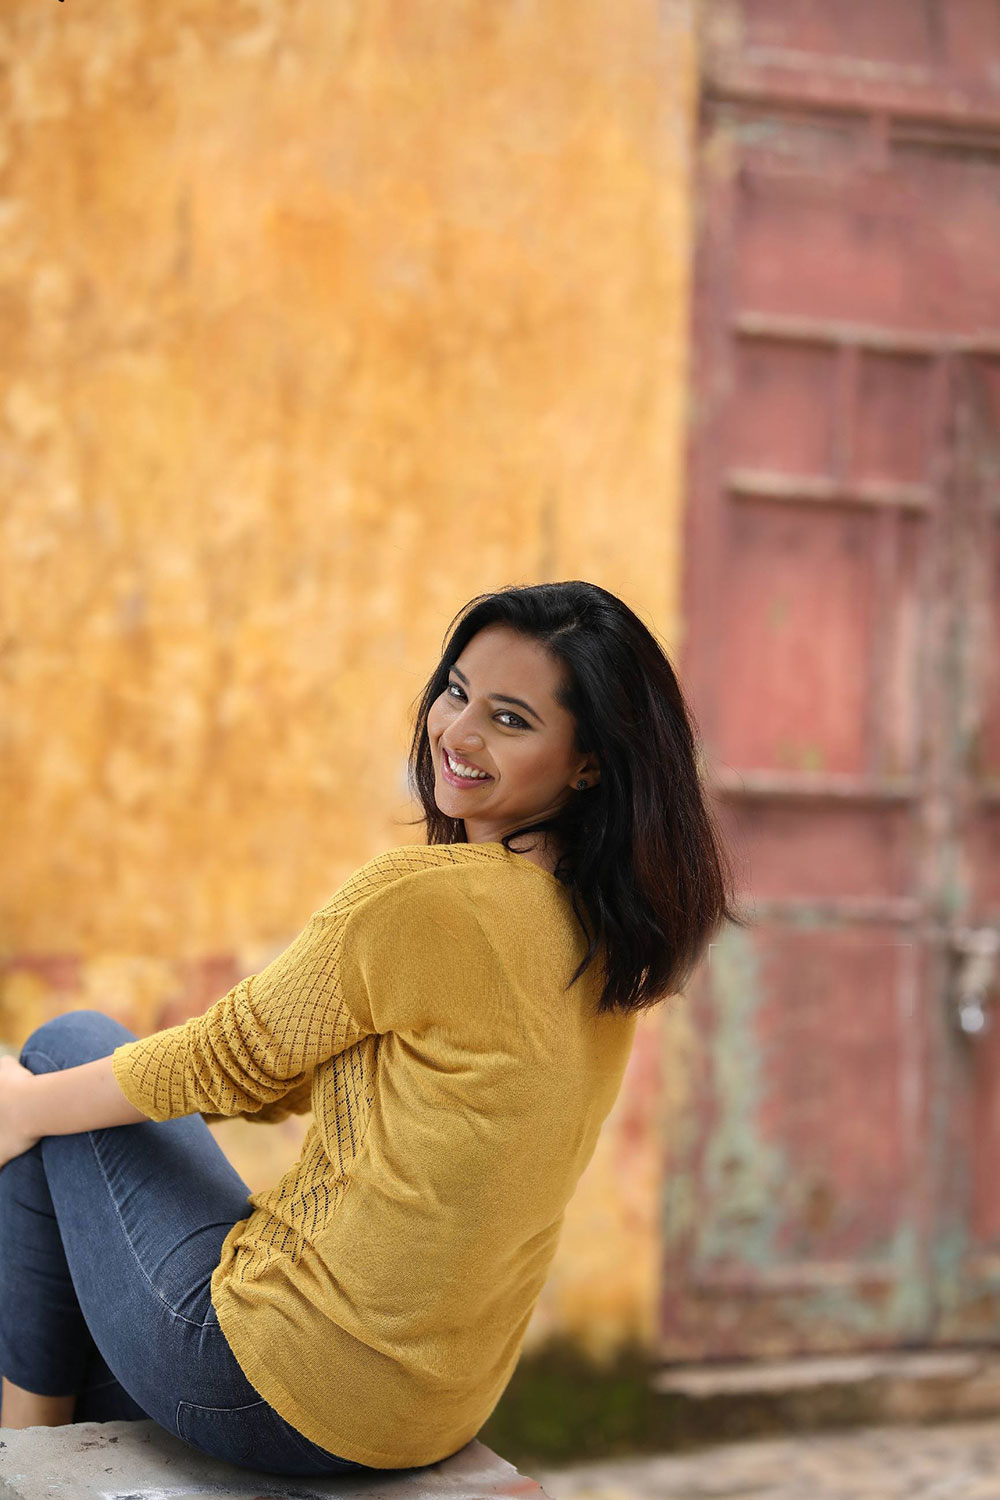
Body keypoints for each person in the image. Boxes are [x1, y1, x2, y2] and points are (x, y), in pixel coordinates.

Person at [0, 580, 744, 1477]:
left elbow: (228, 1058)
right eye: (456, 692)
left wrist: (24, 1108)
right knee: (66, 1145)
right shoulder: (603, 941)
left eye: (509, 719)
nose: (457, 732)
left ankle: (24, 1454)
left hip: (271, 1386)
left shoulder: (428, 900)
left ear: (588, 764)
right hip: (429, 1410)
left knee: (63, 1051)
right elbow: (287, 1073)